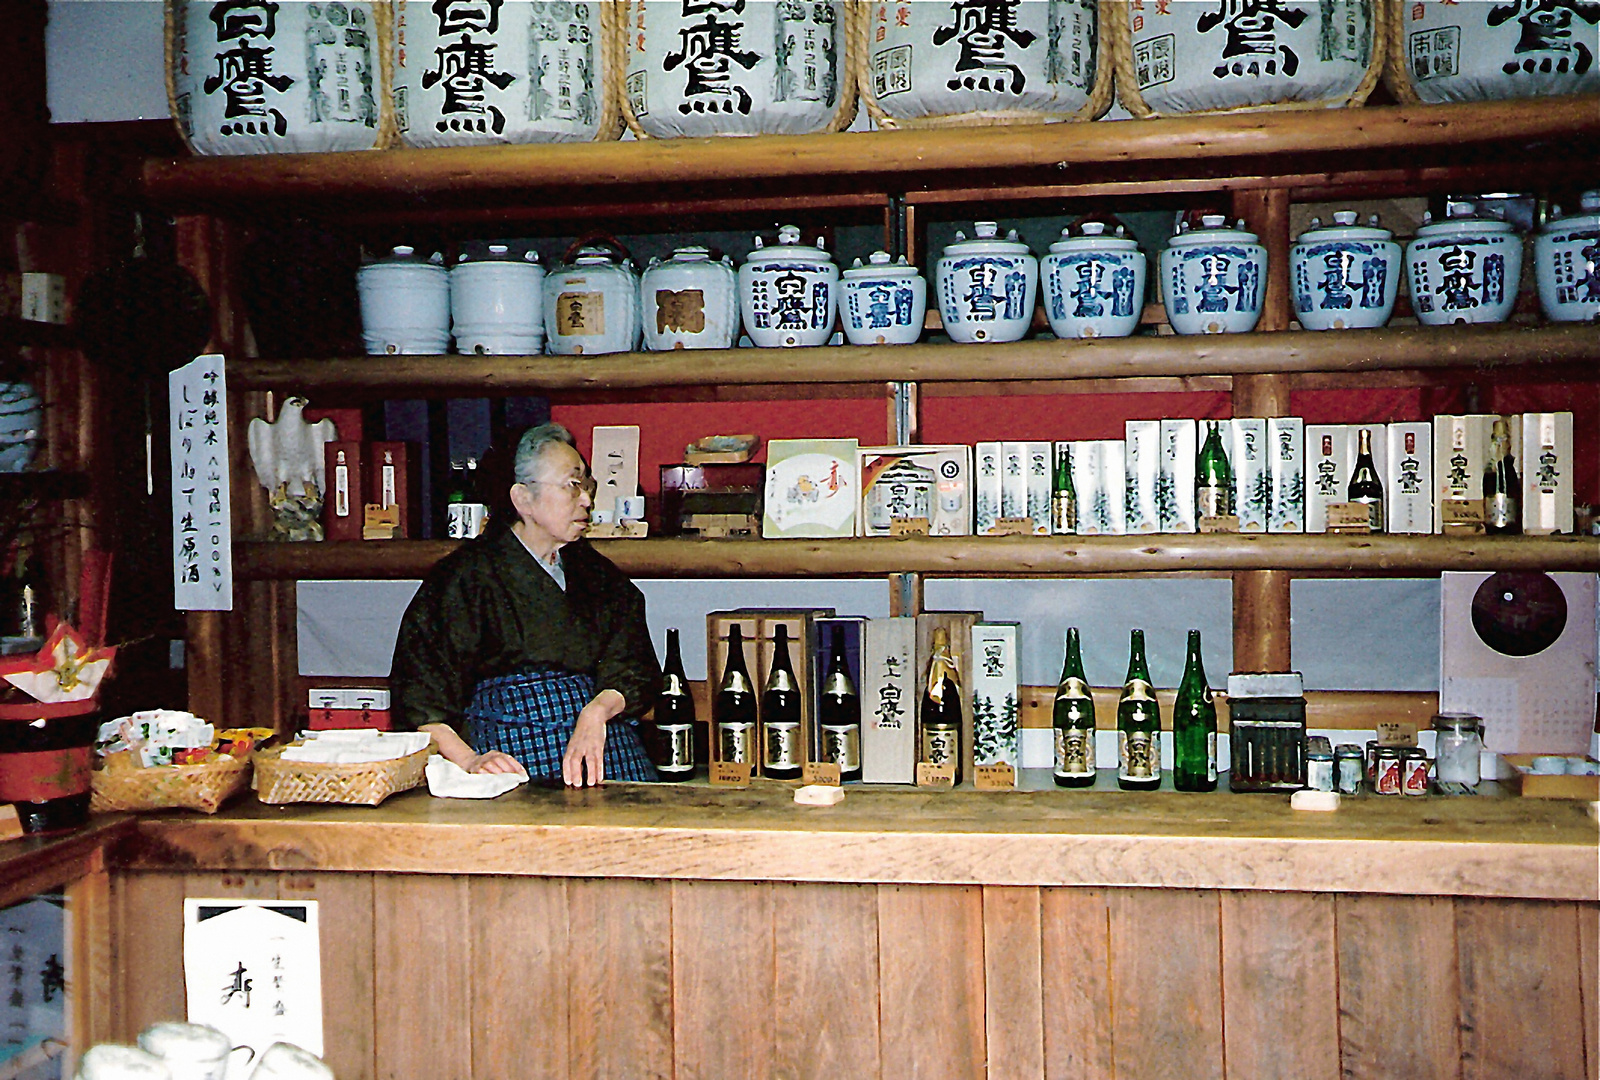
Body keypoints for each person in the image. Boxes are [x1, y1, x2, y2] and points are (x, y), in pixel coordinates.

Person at [391, 422, 661, 786]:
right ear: (523, 499)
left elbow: (635, 665)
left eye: (587, 485)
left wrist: (597, 711)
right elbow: (421, 698)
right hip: (513, 754)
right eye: (572, 485)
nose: (587, 499)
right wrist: (471, 761)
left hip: (604, 747)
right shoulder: (465, 577)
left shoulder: (597, 574)